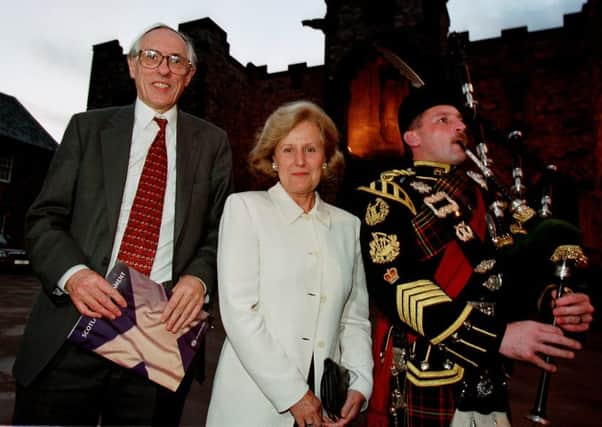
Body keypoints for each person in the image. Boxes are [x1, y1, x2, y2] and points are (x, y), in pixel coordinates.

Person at [12, 23, 233, 426]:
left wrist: (198, 279)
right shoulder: (87, 129)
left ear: (189, 74)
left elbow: (220, 230)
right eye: (151, 57)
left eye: (175, 61)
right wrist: (74, 276)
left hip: (158, 335)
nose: (163, 69)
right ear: (132, 66)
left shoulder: (213, 144)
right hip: (74, 325)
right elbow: (44, 218)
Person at [355, 84, 595, 426]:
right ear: (412, 138)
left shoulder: (489, 201)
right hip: (427, 375)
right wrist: (496, 337)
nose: (459, 127)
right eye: (443, 120)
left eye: (460, 120)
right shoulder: (392, 195)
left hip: (490, 380)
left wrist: (557, 302)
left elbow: (507, 282)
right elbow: (396, 284)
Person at [206, 100, 373, 427]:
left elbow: (354, 318)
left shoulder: (347, 225)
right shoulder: (245, 210)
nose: (299, 161)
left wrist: (360, 381)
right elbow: (240, 313)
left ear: (326, 159)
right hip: (255, 402)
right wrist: (293, 394)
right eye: (287, 150)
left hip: (328, 404)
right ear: (272, 158)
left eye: (310, 149)